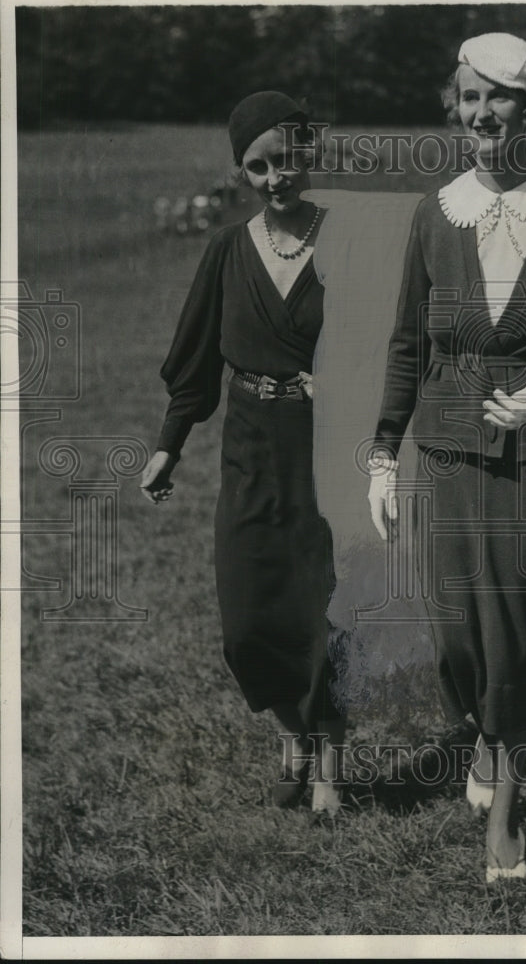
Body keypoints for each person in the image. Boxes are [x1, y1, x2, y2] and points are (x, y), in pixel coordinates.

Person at [368, 33, 526, 881]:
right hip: (447, 453)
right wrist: (380, 455)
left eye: (499, 98)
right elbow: (406, 342)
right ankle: (484, 735)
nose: (481, 114)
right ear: (456, 106)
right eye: (469, 98)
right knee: (457, 636)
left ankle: (507, 807)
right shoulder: (436, 213)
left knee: (518, 627)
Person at [140, 91, 345, 814]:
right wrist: (169, 445)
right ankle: (292, 729)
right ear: (242, 173)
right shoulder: (227, 250)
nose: (274, 176)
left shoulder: (349, 241)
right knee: (248, 617)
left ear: (308, 152)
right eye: (257, 166)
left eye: (286, 158)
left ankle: (328, 758)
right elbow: (194, 356)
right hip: (251, 446)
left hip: (328, 452)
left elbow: (397, 345)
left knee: (325, 608)